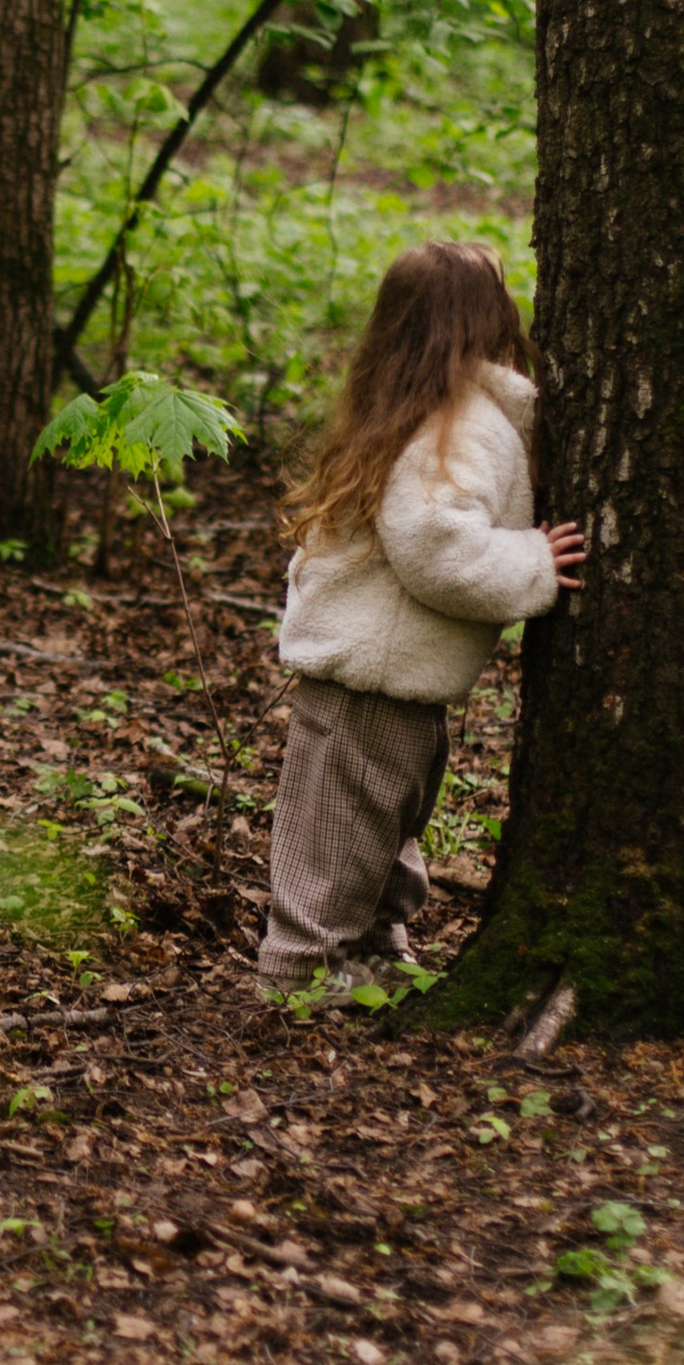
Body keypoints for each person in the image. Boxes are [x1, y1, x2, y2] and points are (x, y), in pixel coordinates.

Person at [260, 241, 584, 1002]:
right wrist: (536, 562)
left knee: (382, 831)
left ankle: (373, 957)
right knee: (337, 840)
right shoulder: (461, 425)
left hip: (385, 679)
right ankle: (296, 977)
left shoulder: (408, 404)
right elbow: (438, 547)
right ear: (482, 320)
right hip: (371, 682)